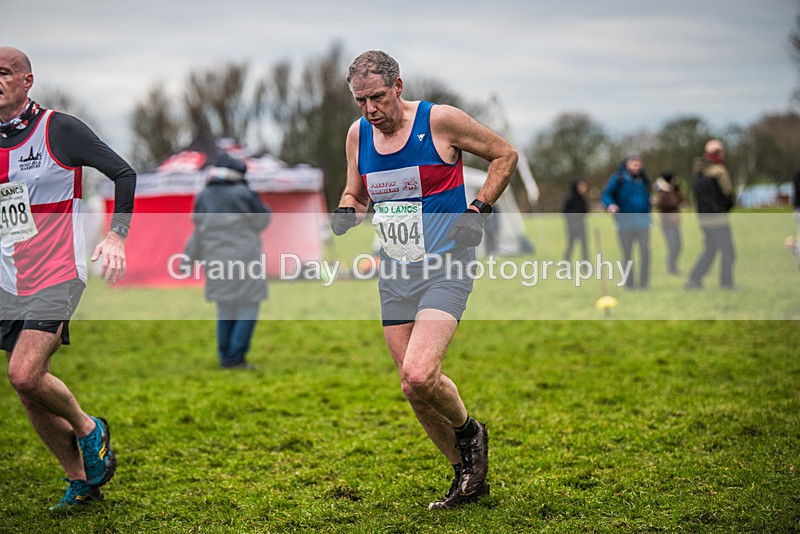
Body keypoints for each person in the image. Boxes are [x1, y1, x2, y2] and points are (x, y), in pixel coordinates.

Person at [331, 50, 518, 510]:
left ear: (399, 86)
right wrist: (346, 210)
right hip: (395, 270)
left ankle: (471, 433)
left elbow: (504, 154)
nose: (371, 109)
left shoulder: (440, 121)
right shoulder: (358, 135)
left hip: (446, 265)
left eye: (377, 97)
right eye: (361, 101)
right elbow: (356, 191)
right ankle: (466, 475)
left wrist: (480, 209)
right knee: (412, 386)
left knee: (420, 370)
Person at [0, 46, 135, 510]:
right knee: (30, 391)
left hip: (57, 271)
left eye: (4, 72)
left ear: (27, 80)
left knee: (23, 373)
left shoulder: (58, 129)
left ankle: (88, 427)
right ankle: (80, 480)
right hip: (7, 280)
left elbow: (123, 172)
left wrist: (116, 236)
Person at [187, 152, 271, 370]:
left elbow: (197, 230)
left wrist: (188, 258)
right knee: (248, 306)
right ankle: (236, 358)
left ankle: (225, 357)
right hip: (245, 260)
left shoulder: (203, 195)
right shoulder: (244, 193)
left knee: (225, 308)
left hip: (214, 260)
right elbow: (263, 220)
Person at [685, 139, 736, 289]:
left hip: (703, 218)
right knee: (728, 252)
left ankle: (694, 279)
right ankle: (726, 283)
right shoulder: (719, 171)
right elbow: (728, 195)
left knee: (710, 250)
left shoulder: (698, 172)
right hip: (718, 217)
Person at [601, 153, 652, 289]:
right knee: (627, 254)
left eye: (639, 164)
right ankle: (629, 284)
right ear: (627, 164)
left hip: (643, 223)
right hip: (625, 223)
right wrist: (610, 205)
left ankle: (644, 284)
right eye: (634, 164)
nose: (637, 167)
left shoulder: (643, 180)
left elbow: (647, 197)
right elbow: (606, 194)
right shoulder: (619, 178)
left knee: (645, 252)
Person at [652, 172, 685, 275]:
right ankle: (671, 268)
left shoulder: (675, 190)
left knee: (678, 246)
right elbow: (671, 203)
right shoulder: (663, 193)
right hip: (666, 224)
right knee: (673, 246)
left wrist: (675, 189)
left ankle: (673, 266)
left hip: (675, 223)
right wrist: (666, 190)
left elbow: (682, 199)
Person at [562, 179, 589, 262]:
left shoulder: (582, 199)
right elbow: (565, 213)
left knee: (584, 247)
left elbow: (585, 211)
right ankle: (566, 264)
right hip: (572, 227)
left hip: (581, 226)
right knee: (570, 246)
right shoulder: (569, 199)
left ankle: (585, 266)